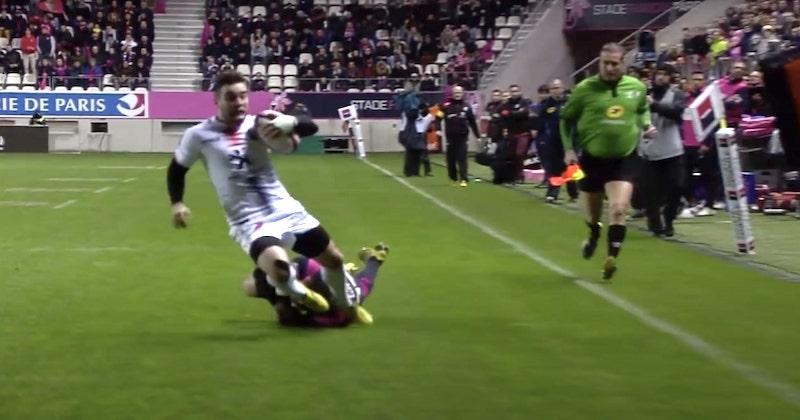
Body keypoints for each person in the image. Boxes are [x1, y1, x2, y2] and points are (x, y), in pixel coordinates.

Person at [166, 70, 367, 321]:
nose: (239, 102)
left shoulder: (260, 123)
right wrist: (177, 203)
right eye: (231, 97)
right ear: (216, 100)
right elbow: (177, 169)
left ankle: (346, 305)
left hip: (286, 209)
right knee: (281, 271)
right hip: (249, 220)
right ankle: (300, 294)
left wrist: (290, 122)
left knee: (335, 260)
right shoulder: (198, 135)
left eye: (243, 96)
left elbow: (309, 126)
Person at [560, 43, 657, 279]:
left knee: (618, 208)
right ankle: (594, 234)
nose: (609, 68)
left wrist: (646, 124)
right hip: (592, 159)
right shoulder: (585, 89)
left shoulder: (636, 87)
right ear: (599, 63)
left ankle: (611, 257)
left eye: (614, 63)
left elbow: (642, 108)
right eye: (605, 63)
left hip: (623, 159)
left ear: (623, 63)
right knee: (593, 215)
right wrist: (569, 149)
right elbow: (566, 120)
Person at [243, 243, 389, 327]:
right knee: (253, 287)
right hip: (309, 270)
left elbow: (367, 280)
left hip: (311, 271)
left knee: (251, 287)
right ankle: (273, 268)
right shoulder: (345, 309)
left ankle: (373, 259)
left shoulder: (343, 312)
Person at [639, 64, 687, 237]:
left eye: (665, 75)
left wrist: (655, 105)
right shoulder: (643, 94)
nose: (660, 77)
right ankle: (655, 225)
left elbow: (677, 112)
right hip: (649, 152)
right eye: (658, 74)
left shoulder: (677, 94)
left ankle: (669, 217)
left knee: (677, 186)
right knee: (649, 192)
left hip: (672, 151)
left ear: (670, 78)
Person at [536, 79, 578, 203]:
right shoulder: (546, 105)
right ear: (550, 90)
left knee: (570, 167)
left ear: (562, 88)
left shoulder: (570, 102)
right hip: (553, 141)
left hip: (569, 140)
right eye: (553, 88)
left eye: (558, 87)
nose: (556, 90)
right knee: (554, 168)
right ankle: (553, 193)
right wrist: (542, 138)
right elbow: (541, 124)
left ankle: (573, 193)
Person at [442, 85, 480, 187]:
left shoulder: (467, 106)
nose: (457, 95)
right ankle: (453, 178)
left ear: (462, 94)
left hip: (462, 136)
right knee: (451, 159)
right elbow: (437, 117)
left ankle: (464, 179)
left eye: (459, 93)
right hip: (450, 137)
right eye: (455, 93)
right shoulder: (446, 106)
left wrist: (478, 136)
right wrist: (437, 129)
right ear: (452, 94)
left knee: (462, 158)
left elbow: (472, 122)